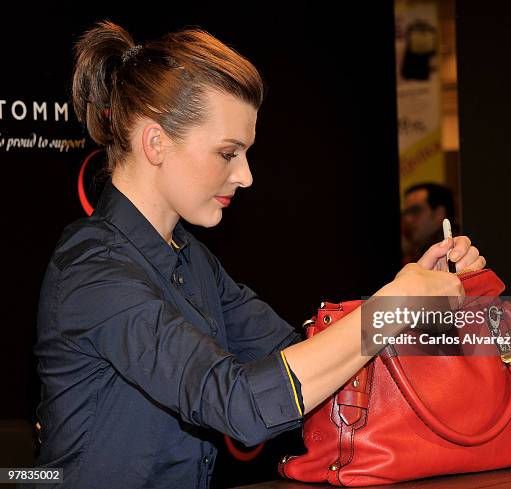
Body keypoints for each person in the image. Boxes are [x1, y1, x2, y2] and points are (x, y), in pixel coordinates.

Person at [25, 21, 485, 489]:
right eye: (228, 153)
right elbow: (241, 405)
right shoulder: (92, 270)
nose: (245, 176)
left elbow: (298, 360)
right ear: (156, 142)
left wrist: (416, 300)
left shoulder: (193, 260)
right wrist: (392, 307)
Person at [401, 182, 457, 264]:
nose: (408, 219)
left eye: (416, 210)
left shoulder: (452, 251)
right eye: (406, 213)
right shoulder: (414, 250)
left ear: (439, 214)